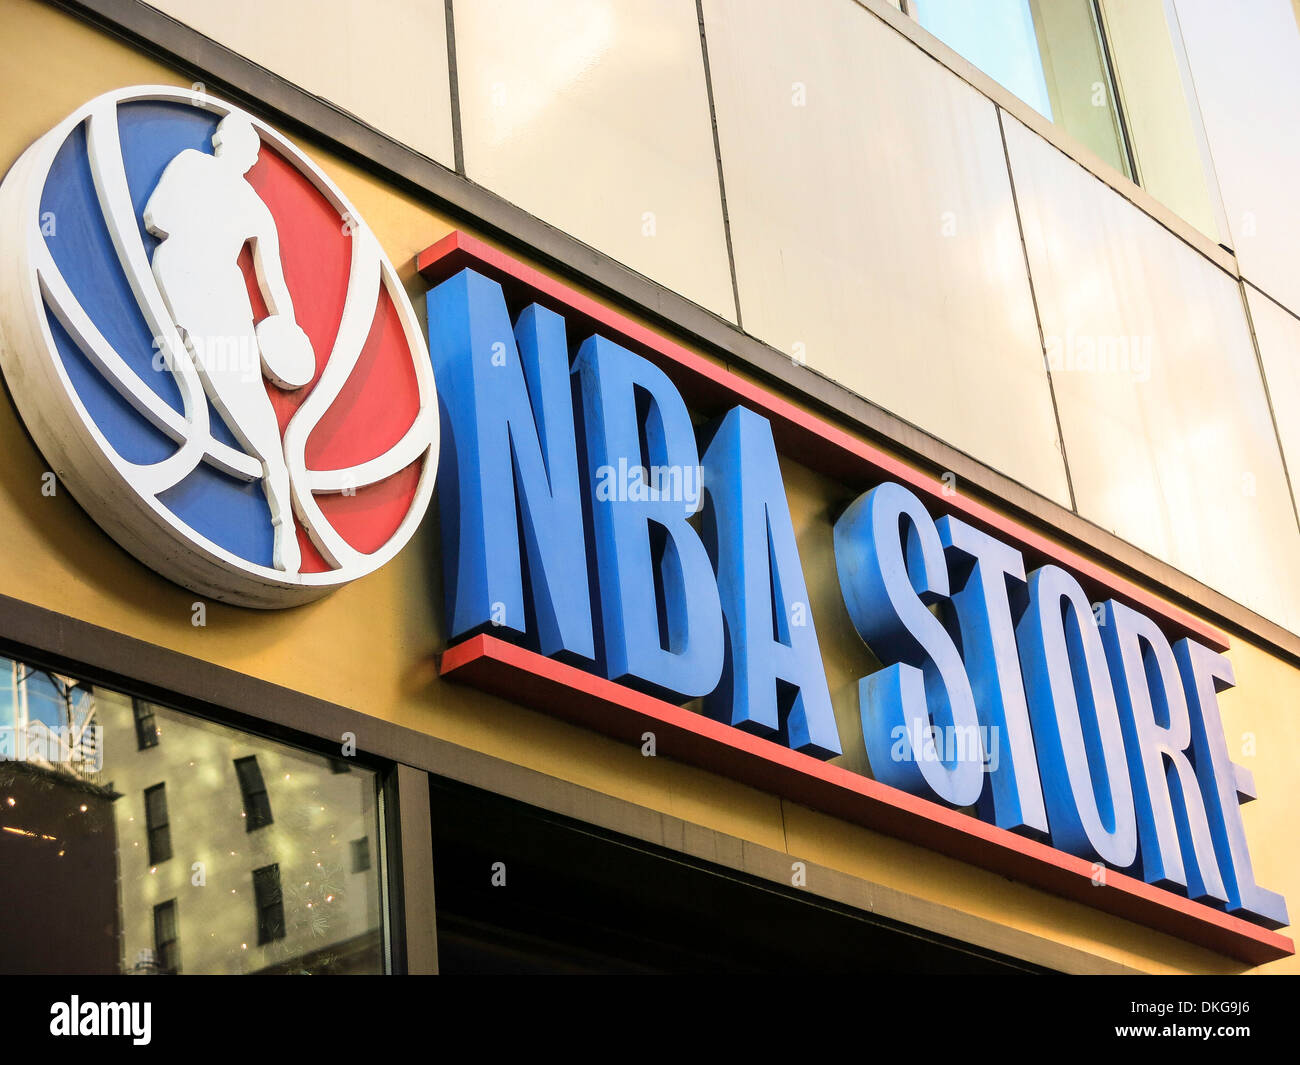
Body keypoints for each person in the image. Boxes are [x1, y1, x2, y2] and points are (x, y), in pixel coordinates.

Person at [145, 113, 315, 575]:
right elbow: (275, 289)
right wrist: (287, 332)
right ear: (246, 153)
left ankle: (281, 518)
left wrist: (285, 333)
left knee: (236, 396)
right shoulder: (252, 205)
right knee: (245, 401)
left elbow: (157, 217)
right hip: (211, 289)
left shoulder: (189, 166)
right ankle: (282, 518)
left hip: (187, 278)